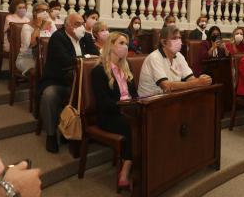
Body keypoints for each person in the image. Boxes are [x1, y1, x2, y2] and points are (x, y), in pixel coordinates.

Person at [39, 13, 99, 153]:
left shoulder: (86, 37)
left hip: (81, 82)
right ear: (67, 26)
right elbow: (66, 61)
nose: (81, 27)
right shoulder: (58, 38)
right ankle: (51, 135)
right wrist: (86, 58)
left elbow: (97, 56)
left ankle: (85, 132)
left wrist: (86, 58)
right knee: (49, 95)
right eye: (77, 24)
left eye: (82, 23)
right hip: (59, 80)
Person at [91, 32, 138, 191]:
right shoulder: (98, 71)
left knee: (149, 119)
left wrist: (137, 104)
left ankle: (143, 163)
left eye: (127, 43)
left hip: (128, 111)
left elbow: (135, 95)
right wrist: (124, 106)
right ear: (111, 46)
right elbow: (103, 103)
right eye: (122, 43)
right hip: (109, 115)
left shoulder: (127, 66)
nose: (126, 46)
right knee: (132, 126)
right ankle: (125, 171)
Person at [138, 26, 212, 97]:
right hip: (149, 101)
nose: (178, 41)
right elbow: (166, 86)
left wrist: (202, 80)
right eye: (174, 38)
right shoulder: (154, 57)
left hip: (169, 97)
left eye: (179, 38)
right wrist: (197, 82)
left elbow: (190, 79)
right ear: (164, 42)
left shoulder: (179, 56)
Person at [16, 2, 53, 76]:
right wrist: (38, 27)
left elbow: (56, 41)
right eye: (41, 10)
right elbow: (31, 45)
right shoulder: (26, 27)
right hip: (27, 57)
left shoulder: (50, 24)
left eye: (47, 10)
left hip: (46, 57)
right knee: (42, 68)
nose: (45, 12)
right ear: (34, 12)